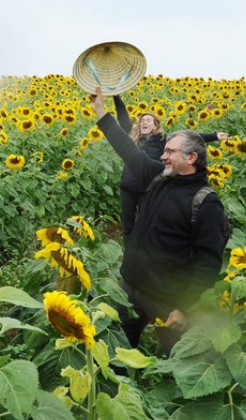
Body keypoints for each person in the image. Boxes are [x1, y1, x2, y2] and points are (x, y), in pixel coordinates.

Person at [91, 88, 228, 355]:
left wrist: (184, 307)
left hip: (165, 300)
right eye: (163, 151)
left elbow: (208, 264)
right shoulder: (158, 177)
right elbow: (128, 149)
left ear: (191, 158)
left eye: (170, 152)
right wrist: (100, 111)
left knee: (177, 360)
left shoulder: (205, 202)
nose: (163, 156)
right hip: (131, 287)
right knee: (116, 354)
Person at [113, 95, 229, 237]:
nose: (144, 122)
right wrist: (116, 95)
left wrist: (215, 136)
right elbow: (122, 116)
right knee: (128, 225)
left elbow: (189, 139)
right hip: (128, 187)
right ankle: (128, 250)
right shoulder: (133, 138)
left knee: (146, 223)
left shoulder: (164, 141)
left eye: (148, 120)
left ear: (155, 125)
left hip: (148, 189)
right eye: (142, 120)